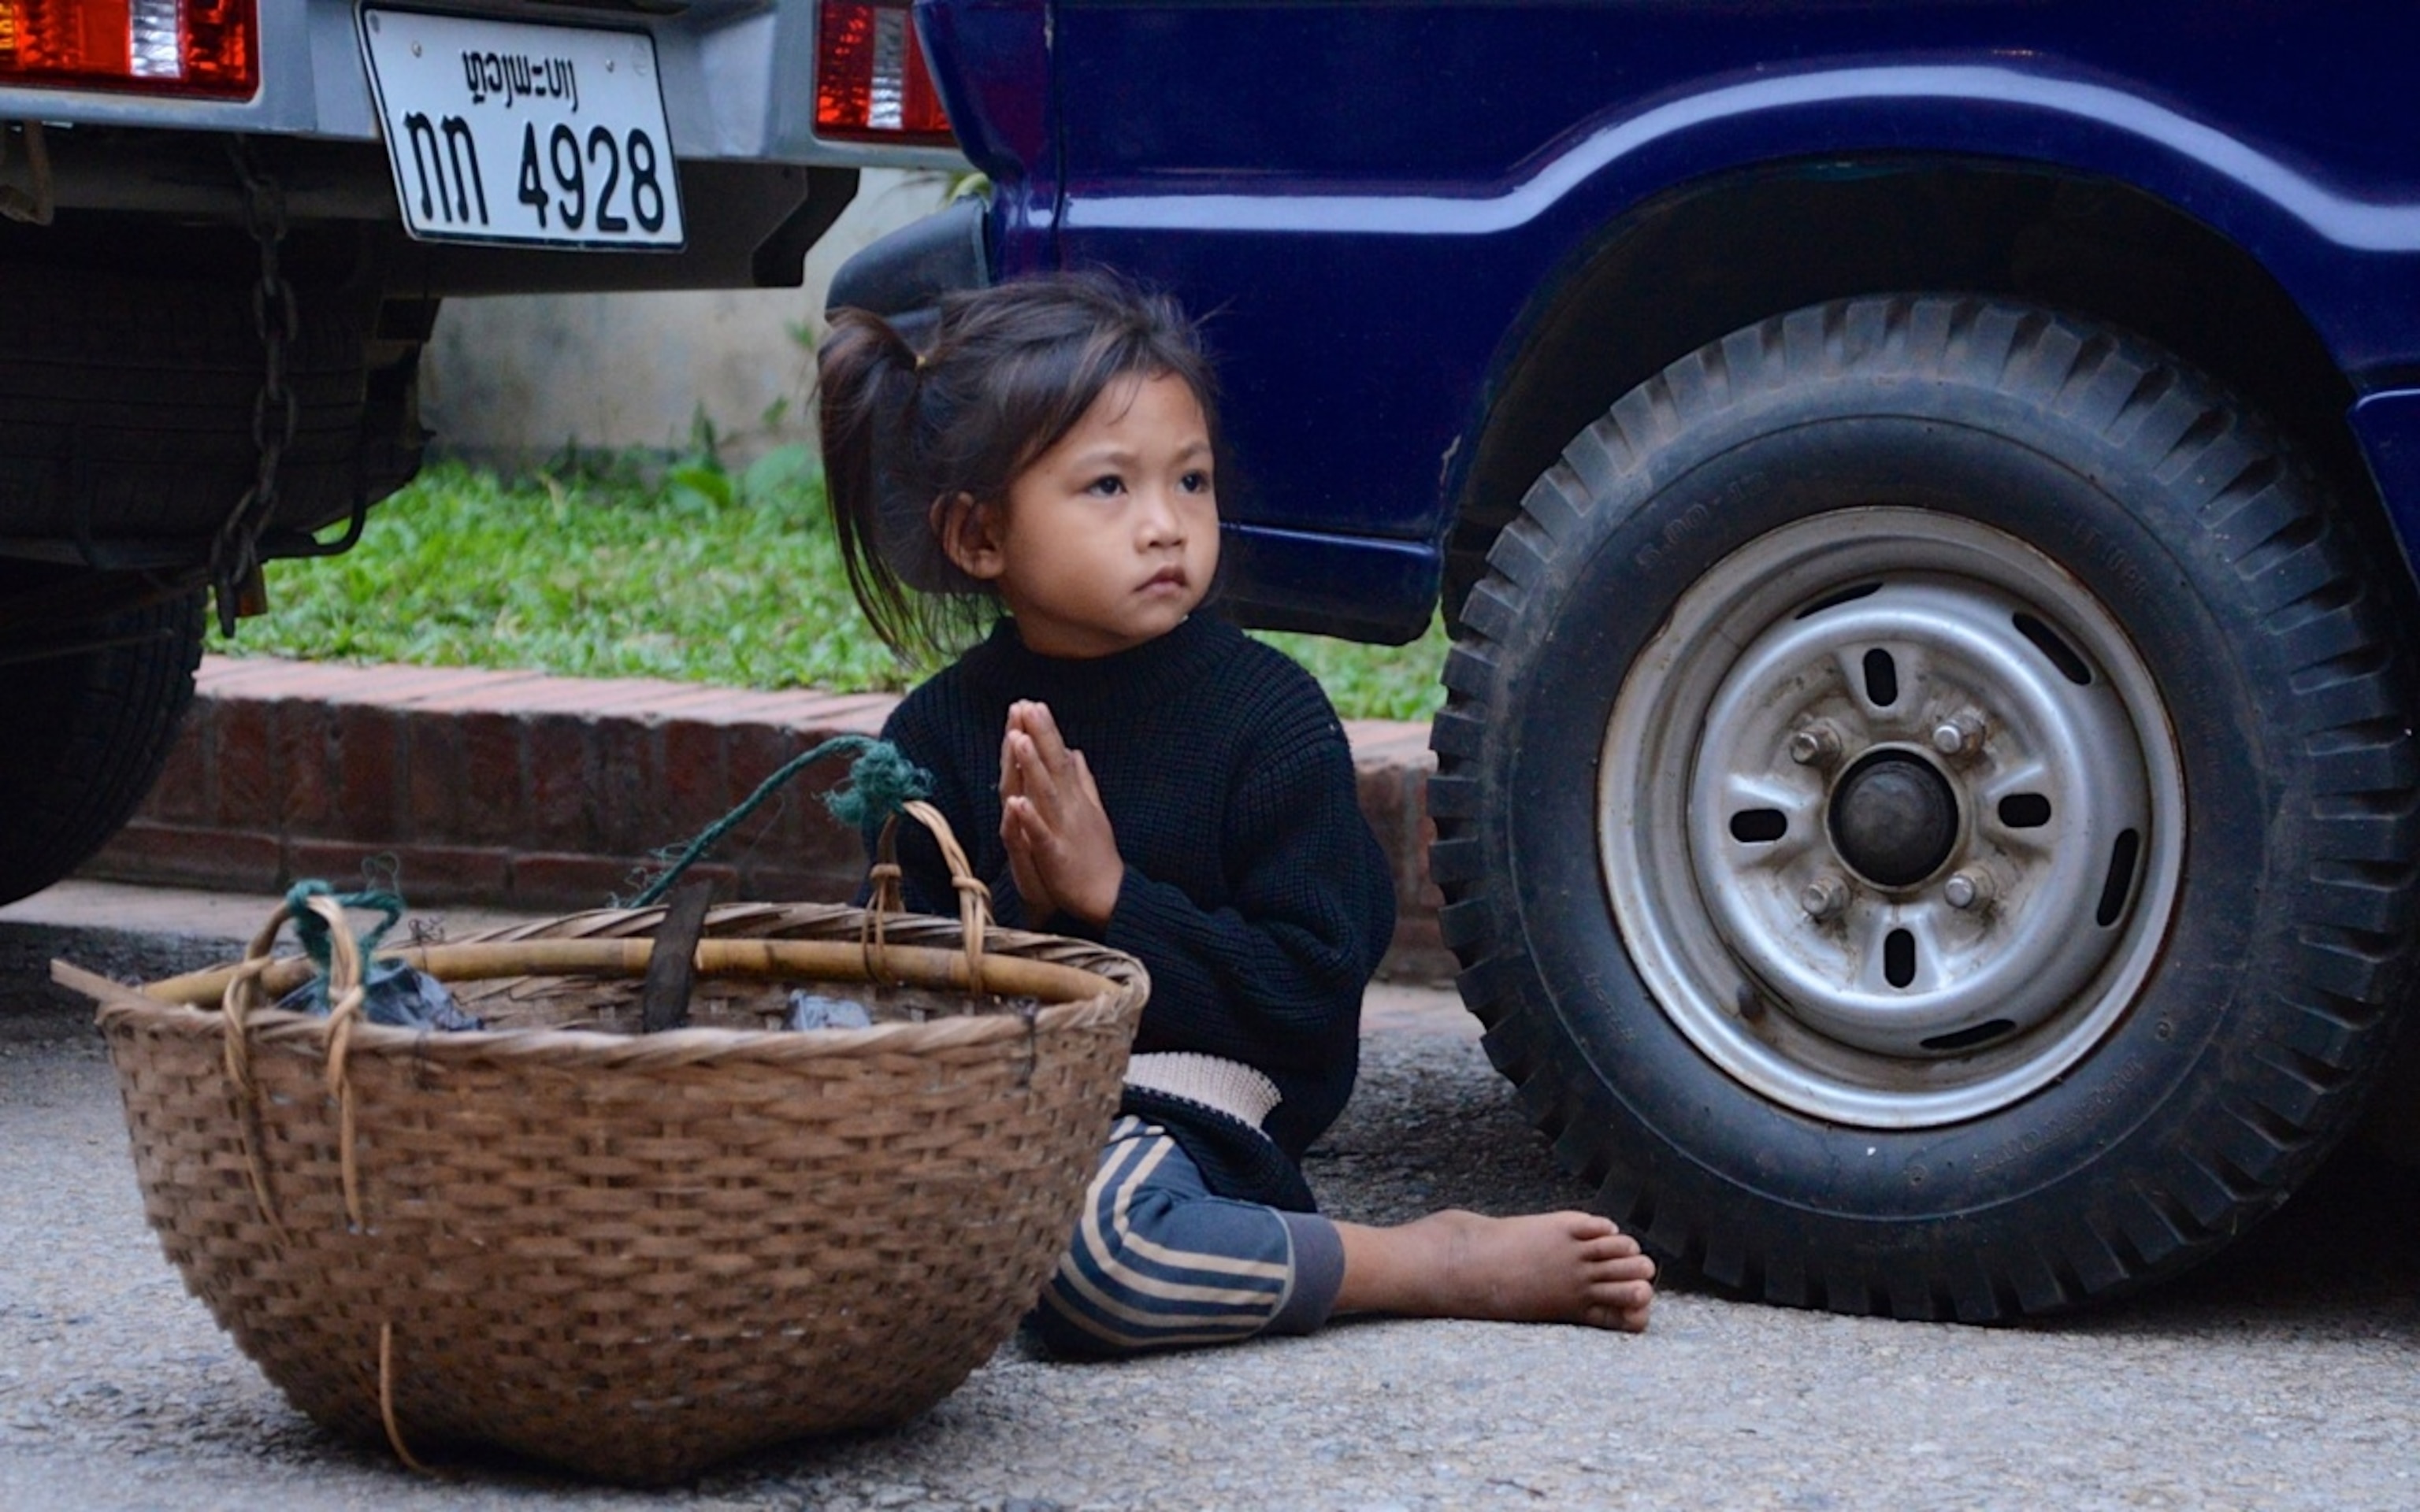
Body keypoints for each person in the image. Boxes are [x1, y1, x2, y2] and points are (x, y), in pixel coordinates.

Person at [817, 270, 1655, 1357]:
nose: (1167, 526)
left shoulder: (1266, 719)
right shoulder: (934, 737)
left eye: (1192, 480)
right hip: (993, 1108)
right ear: (980, 538)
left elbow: (1306, 1007)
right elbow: (901, 979)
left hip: (1185, 1084)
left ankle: (1419, 1260)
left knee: (1103, 1264)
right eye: (1109, 488)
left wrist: (1108, 898)